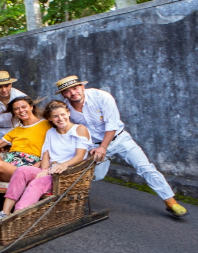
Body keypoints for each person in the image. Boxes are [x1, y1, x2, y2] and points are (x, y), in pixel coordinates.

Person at [55, 75, 189, 218]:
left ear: (82, 87)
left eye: (75, 88)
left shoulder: (101, 97)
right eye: (68, 91)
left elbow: (111, 124)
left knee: (145, 167)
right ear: (63, 94)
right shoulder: (66, 109)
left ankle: (170, 202)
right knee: (94, 175)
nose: (73, 93)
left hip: (119, 139)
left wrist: (103, 147)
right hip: (94, 146)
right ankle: (70, 200)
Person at [0, 100, 92, 219]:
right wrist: (45, 169)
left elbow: (80, 156)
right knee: (22, 171)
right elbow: (45, 154)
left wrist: (64, 165)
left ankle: (17, 215)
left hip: (67, 172)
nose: (60, 118)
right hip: (51, 169)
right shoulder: (51, 132)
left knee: (37, 183)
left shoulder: (79, 129)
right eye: (55, 116)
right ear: (50, 119)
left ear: (68, 113)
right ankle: (4, 212)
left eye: (62, 114)